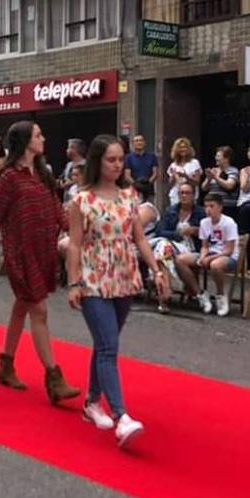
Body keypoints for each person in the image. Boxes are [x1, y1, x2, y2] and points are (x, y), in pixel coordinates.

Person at [66, 135, 166, 446]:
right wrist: (73, 282)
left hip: (125, 274)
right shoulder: (80, 201)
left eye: (120, 159)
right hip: (94, 277)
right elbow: (75, 245)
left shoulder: (129, 197)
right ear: (97, 161)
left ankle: (92, 402)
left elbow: (139, 238)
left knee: (104, 342)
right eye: (111, 159)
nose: (118, 164)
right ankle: (122, 415)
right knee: (108, 347)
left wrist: (157, 269)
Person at [0, 121, 80, 404]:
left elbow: (57, 212)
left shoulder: (44, 174)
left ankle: (6, 365)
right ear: (25, 142)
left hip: (43, 251)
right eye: (38, 135)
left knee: (21, 307)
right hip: (20, 254)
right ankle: (53, 377)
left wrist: (79, 232)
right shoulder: (9, 177)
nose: (43, 138)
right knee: (39, 310)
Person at [178, 192, 240, 317]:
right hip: (210, 253)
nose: (208, 210)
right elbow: (205, 246)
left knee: (216, 265)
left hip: (227, 256)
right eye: (206, 206)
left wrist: (210, 258)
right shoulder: (204, 222)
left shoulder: (229, 223)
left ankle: (221, 295)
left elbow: (229, 250)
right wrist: (202, 257)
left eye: (212, 206)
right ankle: (199, 293)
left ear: (220, 207)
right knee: (180, 260)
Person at [202, 146, 240, 220]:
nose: (216, 158)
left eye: (218, 156)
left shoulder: (233, 170)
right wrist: (209, 179)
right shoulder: (214, 170)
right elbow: (204, 188)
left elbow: (229, 185)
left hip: (227, 207)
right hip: (212, 205)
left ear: (226, 158)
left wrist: (215, 177)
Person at [165, 137, 202, 208]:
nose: (182, 149)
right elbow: (170, 184)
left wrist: (185, 176)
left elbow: (197, 182)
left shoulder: (194, 163)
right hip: (175, 195)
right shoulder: (173, 165)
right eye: (180, 147)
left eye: (184, 147)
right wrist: (173, 176)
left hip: (190, 196)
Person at [123, 134, 159, 198]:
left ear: (144, 143)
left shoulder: (152, 156)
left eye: (141, 140)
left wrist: (147, 183)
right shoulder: (128, 158)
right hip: (133, 190)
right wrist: (136, 184)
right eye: (136, 141)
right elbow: (127, 175)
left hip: (148, 190)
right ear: (133, 144)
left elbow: (155, 173)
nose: (139, 142)